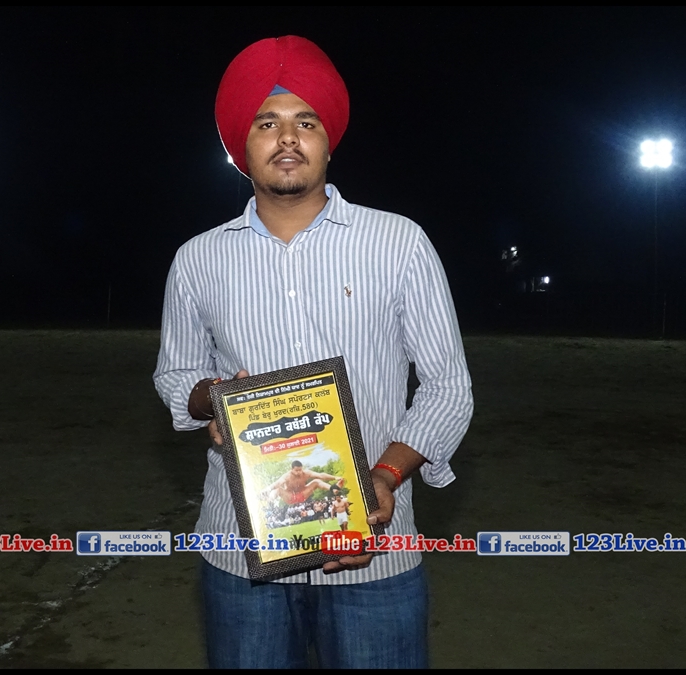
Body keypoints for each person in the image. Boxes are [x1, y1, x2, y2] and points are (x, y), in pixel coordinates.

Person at [153, 35, 473, 669]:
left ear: (329, 141)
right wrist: (211, 398)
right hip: (240, 552)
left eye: (306, 122)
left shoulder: (399, 243)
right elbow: (176, 374)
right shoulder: (198, 259)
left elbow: (448, 387)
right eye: (266, 123)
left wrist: (384, 477)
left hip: (374, 553)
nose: (287, 138)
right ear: (240, 146)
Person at [261, 460, 341, 507]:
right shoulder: (287, 476)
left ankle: (333, 489)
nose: (299, 472)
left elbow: (321, 475)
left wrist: (335, 477)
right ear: (292, 469)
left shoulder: (305, 473)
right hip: (290, 497)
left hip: (303, 495)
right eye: (296, 470)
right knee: (278, 489)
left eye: (300, 470)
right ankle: (269, 500)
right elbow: (278, 482)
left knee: (316, 481)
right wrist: (268, 489)